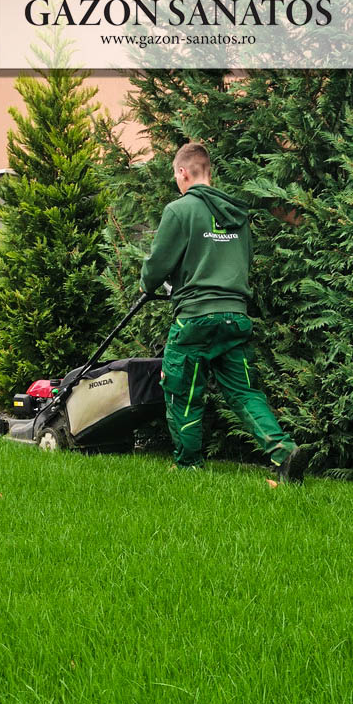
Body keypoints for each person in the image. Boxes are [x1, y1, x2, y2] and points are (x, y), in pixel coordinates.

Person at [139, 142, 310, 482]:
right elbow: (244, 261)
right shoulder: (237, 213)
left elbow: (157, 265)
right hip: (235, 316)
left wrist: (147, 284)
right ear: (210, 172)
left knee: (182, 389)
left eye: (176, 176)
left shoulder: (179, 211)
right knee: (244, 391)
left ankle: (188, 464)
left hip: (196, 318)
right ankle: (283, 452)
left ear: (183, 172)